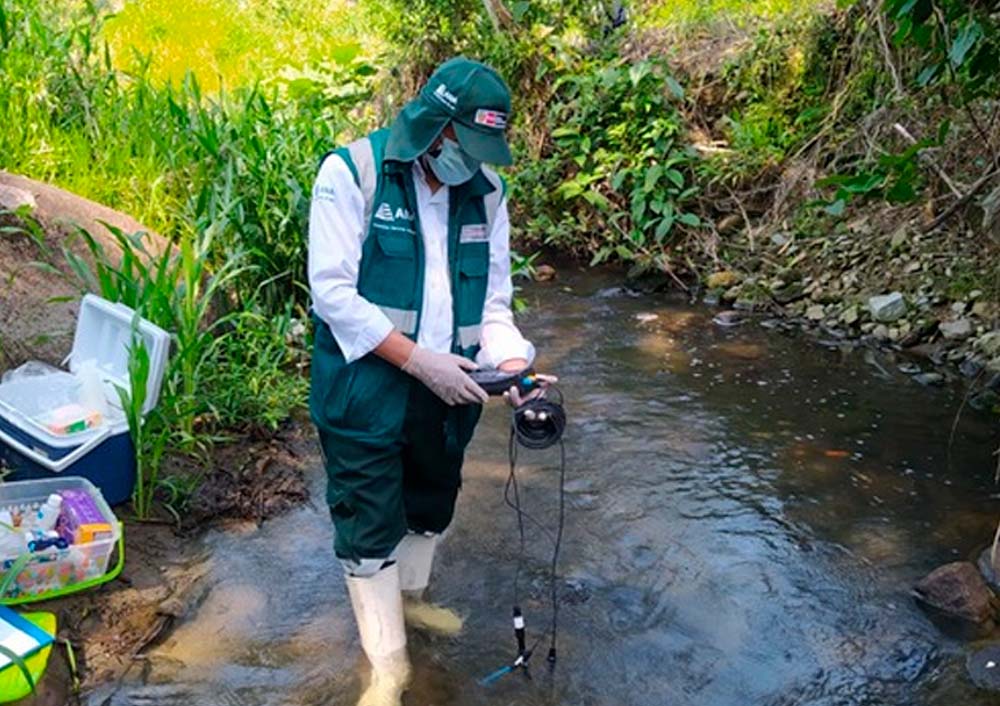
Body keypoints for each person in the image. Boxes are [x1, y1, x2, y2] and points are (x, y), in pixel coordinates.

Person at [307, 57, 548, 706]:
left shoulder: (489, 194)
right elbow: (332, 295)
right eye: (462, 147)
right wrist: (419, 361)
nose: (470, 163)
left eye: (482, 152)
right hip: (364, 390)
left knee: (430, 506)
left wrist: (512, 364)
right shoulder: (352, 173)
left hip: (452, 393)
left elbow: (494, 304)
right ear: (433, 128)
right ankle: (388, 668)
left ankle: (409, 606)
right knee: (368, 520)